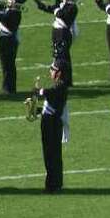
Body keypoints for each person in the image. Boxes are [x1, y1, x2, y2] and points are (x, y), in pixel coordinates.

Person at [35, 56, 69, 192]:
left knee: (51, 154)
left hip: (52, 124)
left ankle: (53, 184)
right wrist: (37, 111)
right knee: (50, 154)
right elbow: (50, 105)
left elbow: (51, 94)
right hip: (50, 121)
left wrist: (39, 91)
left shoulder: (60, 86)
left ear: (59, 72)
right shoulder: (58, 85)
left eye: (52, 69)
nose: (50, 71)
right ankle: (54, 183)